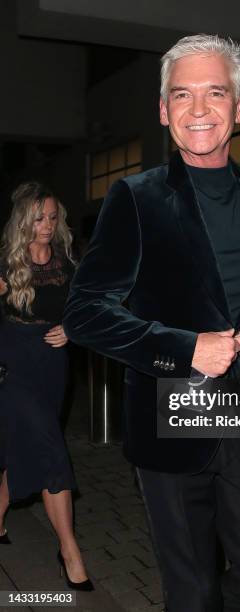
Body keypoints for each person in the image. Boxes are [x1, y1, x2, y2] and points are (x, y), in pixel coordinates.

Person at [63, 34, 240, 611]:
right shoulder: (136, 197)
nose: (199, 109)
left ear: (239, 106)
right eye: (183, 95)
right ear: (164, 110)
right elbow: (83, 313)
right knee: (191, 590)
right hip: (169, 415)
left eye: (216, 93)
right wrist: (183, 348)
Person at [0, 182, 93, 591]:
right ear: (24, 220)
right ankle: (70, 553)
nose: (47, 225)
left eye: (53, 217)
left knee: (23, 449)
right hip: (13, 364)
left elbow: (85, 309)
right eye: (39, 218)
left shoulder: (67, 263)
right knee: (52, 449)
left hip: (53, 365)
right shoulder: (7, 264)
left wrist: (72, 330)